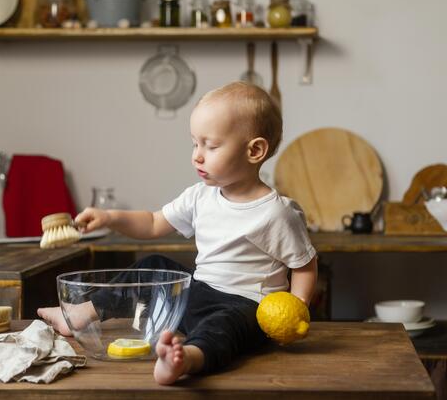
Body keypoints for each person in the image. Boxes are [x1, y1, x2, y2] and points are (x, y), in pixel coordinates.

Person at [38, 81, 318, 385]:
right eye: (195, 143)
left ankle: (185, 359)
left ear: (255, 150)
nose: (197, 155)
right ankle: (81, 314)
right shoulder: (201, 196)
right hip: (197, 292)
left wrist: (297, 308)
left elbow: (303, 265)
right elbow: (153, 223)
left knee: (222, 329)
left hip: (248, 307)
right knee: (153, 264)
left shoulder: (275, 213)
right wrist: (110, 217)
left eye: (211, 146)